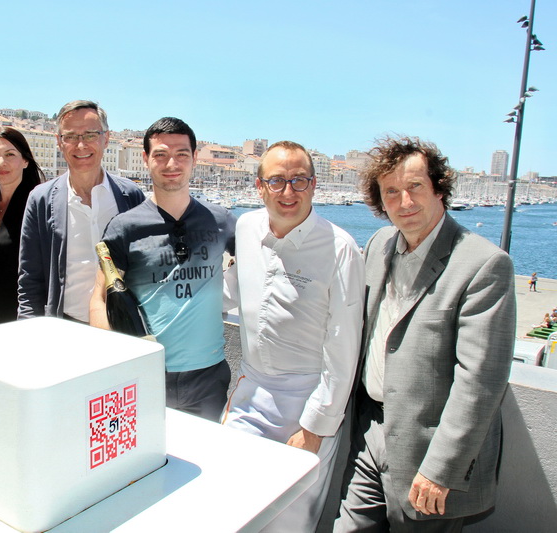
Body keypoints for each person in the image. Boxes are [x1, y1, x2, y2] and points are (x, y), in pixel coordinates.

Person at [335, 136, 516, 531]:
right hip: (370, 433)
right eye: (391, 192)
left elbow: (481, 382)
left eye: (415, 186)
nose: (405, 202)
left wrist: (441, 469)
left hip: (428, 455)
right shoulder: (380, 244)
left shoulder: (484, 265)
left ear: (439, 188)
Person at [221, 141, 365, 531]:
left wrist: (315, 429)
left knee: (287, 522)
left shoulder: (341, 250)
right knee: (229, 509)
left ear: (315, 185)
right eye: (278, 181)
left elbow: (343, 348)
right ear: (259, 186)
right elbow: (231, 291)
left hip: (306, 405)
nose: (289, 192)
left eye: (299, 181)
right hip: (250, 396)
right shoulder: (247, 227)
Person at [90, 117, 236, 421]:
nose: (172, 163)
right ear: (146, 159)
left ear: (195, 158)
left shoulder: (222, 220)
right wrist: (117, 361)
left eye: (182, 154)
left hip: (208, 376)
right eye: (160, 154)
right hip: (145, 374)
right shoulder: (124, 228)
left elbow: (263, 264)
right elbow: (100, 299)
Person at [18, 100, 145, 322]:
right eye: (70, 136)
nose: (81, 145)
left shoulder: (130, 196)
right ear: (59, 142)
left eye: (90, 135)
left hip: (123, 328)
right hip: (66, 327)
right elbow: (29, 279)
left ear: (106, 138)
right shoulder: (41, 199)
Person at [0, 126, 43, 327]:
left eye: (9, 154)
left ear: (25, 160)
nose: (0, 163)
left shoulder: (39, 206)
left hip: (25, 314)